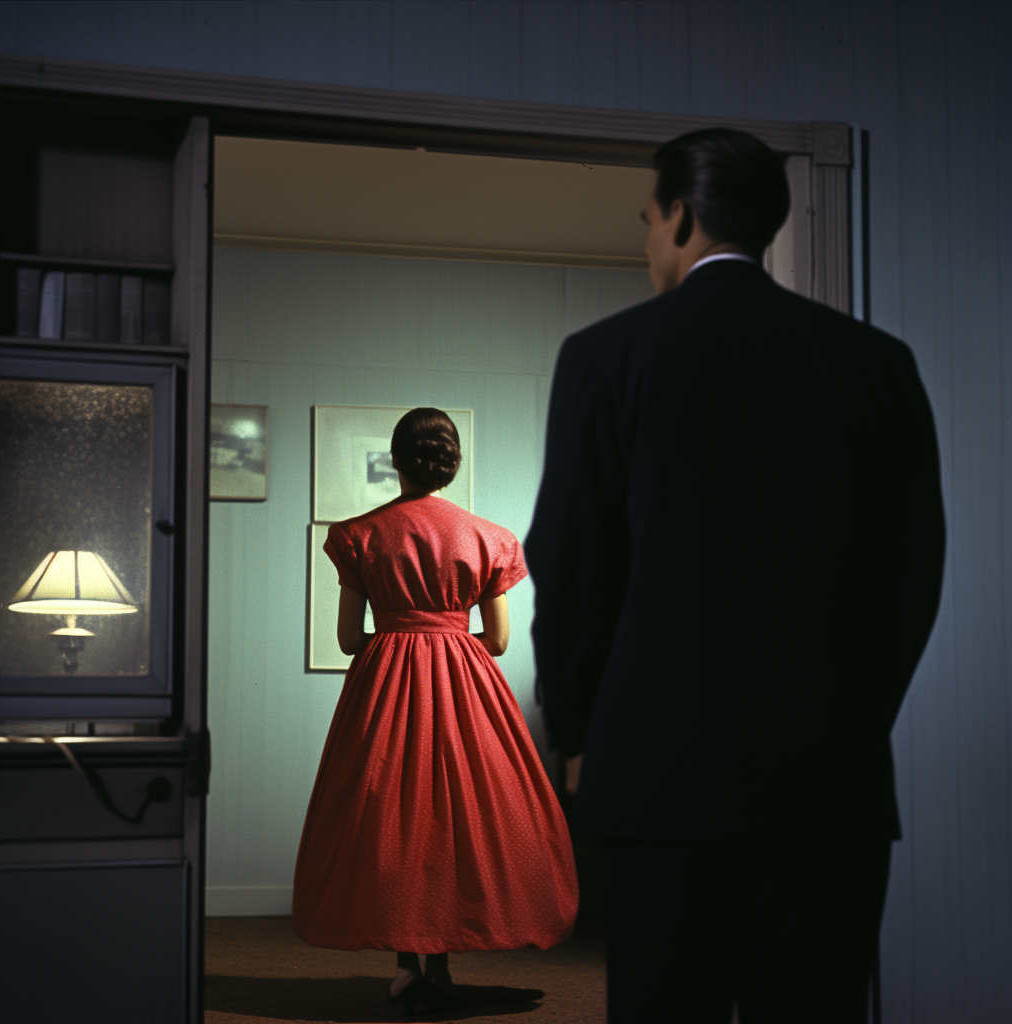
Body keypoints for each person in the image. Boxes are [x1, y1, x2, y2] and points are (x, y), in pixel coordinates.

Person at [524, 128, 945, 1023]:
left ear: (680, 216)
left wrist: (579, 734)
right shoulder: (877, 363)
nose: (646, 245)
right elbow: (913, 572)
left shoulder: (607, 357)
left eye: (648, 219)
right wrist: (855, 718)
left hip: (659, 780)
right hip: (831, 784)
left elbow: (568, 566)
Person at [292, 407, 579, 1014]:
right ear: (451, 465)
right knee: (458, 813)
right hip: (463, 681)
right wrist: (445, 638)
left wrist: (400, 641)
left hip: (386, 680)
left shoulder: (359, 534)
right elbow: (497, 642)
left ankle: (404, 965)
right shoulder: (489, 538)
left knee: (391, 813)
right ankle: (442, 966)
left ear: (395, 461)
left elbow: (349, 639)